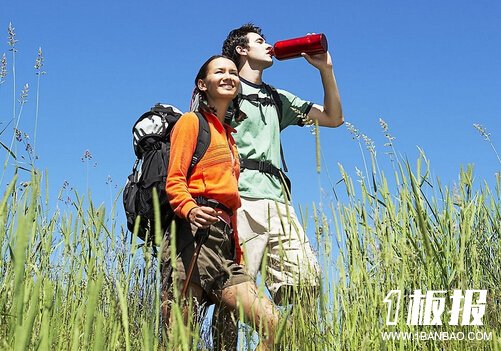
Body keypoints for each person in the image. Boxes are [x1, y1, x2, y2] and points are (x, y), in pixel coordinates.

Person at [213, 23, 344, 349]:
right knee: (237, 291)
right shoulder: (228, 88)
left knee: (306, 284)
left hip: (280, 204)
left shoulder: (276, 97)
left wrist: (325, 70)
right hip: (240, 200)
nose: (268, 45)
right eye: (260, 41)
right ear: (242, 50)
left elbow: (333, 117)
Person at [162, 55, 280, 351]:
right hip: (191, 239)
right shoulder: (192, 123)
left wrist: (235, 247)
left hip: (224, 245)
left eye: (232, 72)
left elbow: (231, 203)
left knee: (273, 323)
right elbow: (174, 180)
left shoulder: (230, 138)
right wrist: (189, 210)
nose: (229, 76)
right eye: (219, 72)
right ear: (203, 84)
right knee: (179, 340)